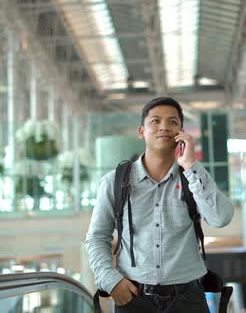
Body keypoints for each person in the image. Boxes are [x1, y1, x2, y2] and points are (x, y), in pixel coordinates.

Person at [85, 97, 234, 312]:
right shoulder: (114, 182)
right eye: (155, 121)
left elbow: (221, 218)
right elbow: (97, 237)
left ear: (181, 133)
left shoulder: (192, 178)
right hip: (133, 297)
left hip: (188, 298)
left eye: (173, 122)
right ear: (141, 131)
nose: (164, 126)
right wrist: (110, 280)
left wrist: (191, 165)